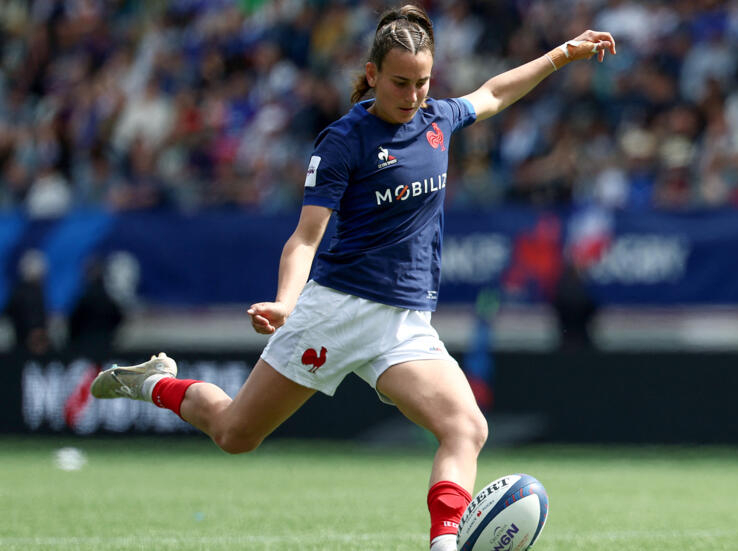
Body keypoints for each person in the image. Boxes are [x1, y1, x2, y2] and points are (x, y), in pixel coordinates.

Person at [89, 6, 615, 550]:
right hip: (337, 310)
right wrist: (285, 302)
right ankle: (152, 380)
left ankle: (443, 544)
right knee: (234, 434)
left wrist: (562, 55)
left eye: (422, 82)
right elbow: (305, 238)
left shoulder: (437, 120)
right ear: (371, 74)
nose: (412, 95)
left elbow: (496, 92)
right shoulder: (343, 140)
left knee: (467, 428)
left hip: (405, 322)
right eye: (400, 83)